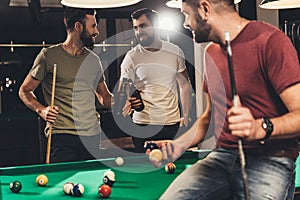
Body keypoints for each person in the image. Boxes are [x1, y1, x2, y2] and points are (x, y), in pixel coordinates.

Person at [149, 0, 300, 199]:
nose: (185, 23)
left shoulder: (270, 40)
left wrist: (259, 128)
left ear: (204, 9)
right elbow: (208, 118)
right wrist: (178, 145)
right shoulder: (211, 53)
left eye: (186, 14)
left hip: (271, 159)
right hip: (223, 156)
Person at [18, 7, 113, 163]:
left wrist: (122, 102)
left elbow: (104, 97)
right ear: (78, 27)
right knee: (63, 185)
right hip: (62, 136)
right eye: (93, 26)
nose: (97, 32)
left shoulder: (93, 60)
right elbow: (24, 90)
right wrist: (42, 110)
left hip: (92, 136)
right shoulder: (48, 56)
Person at [119, 8, 192, 153]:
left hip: (171, 123)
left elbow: (184, 85)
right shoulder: (132, 57)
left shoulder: (175, 51)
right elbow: (123, 88)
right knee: (146, 169)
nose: (139, 31)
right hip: (143, 124)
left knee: (172, 167)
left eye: (143, 26)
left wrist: (186, 115)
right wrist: (126, 100)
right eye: (135, 27)